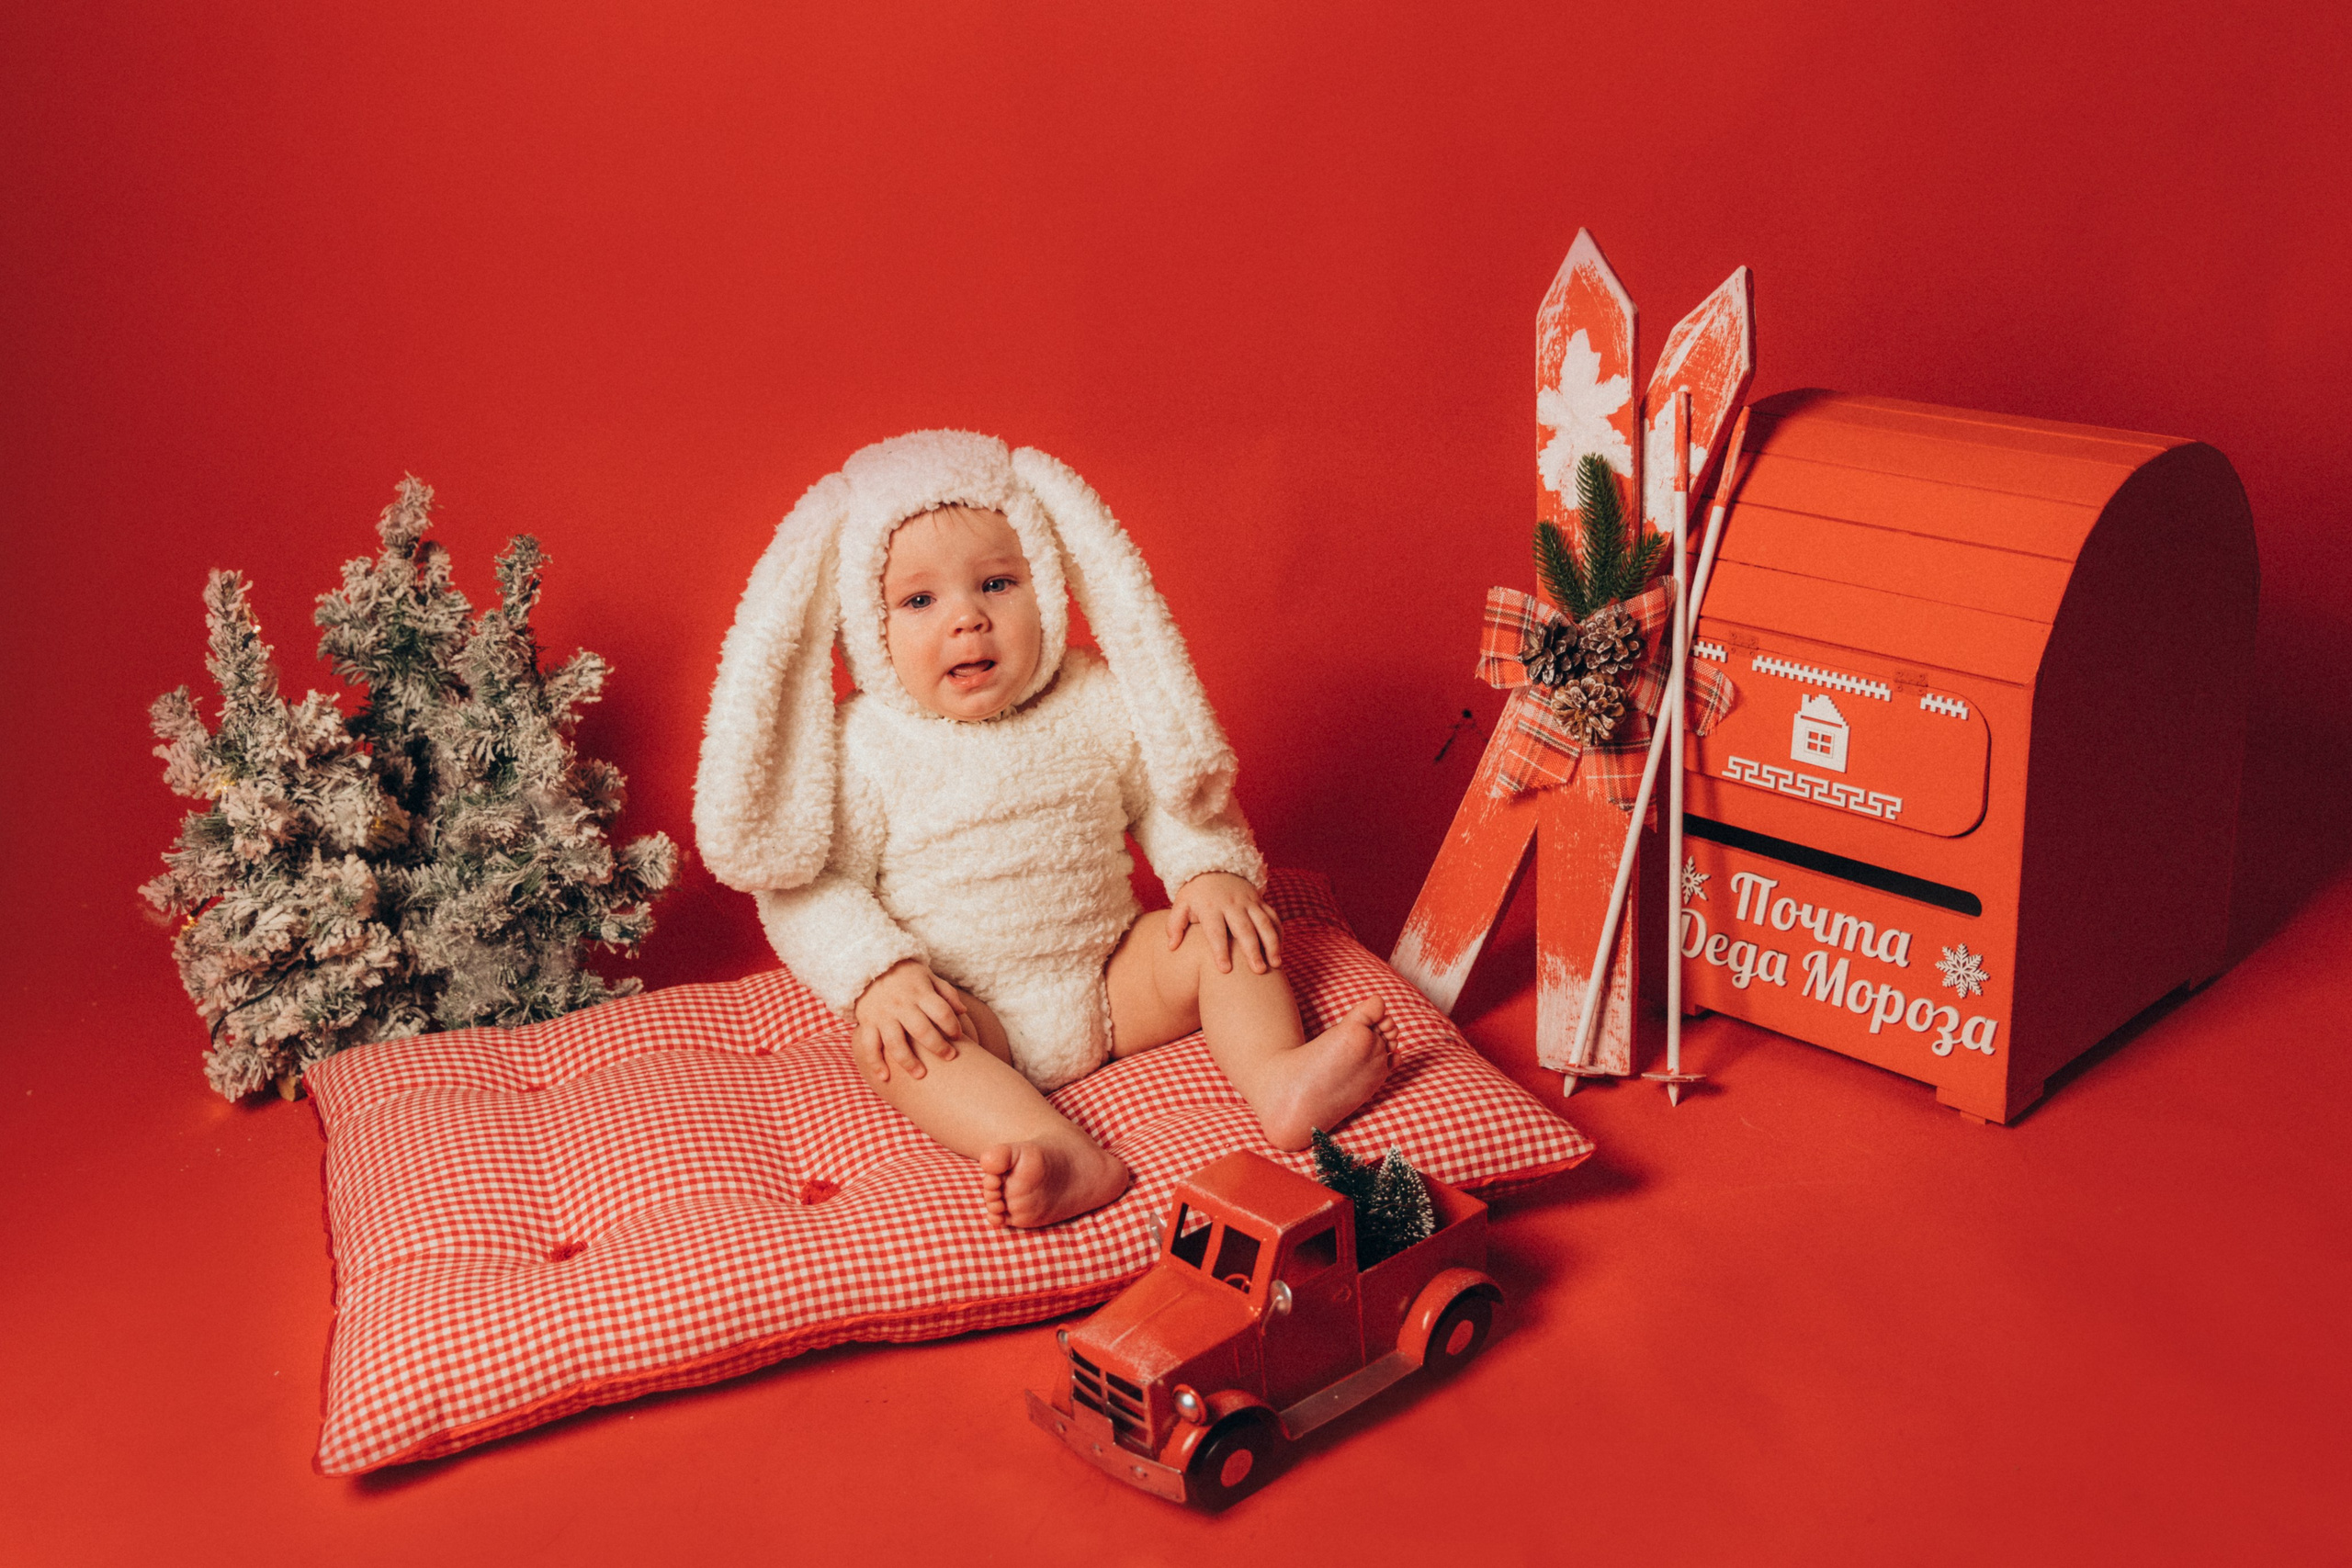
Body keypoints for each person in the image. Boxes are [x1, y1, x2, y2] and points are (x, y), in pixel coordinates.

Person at [695, 431, 1390, 1228]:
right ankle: (1052, 1145)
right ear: (864, 622)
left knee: (1222, 933)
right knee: (892, 1047)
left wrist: (1208, 871)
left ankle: (1278, 1077)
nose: (967, 620)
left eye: (997, 583)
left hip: (1112, 976)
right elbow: (809, 884)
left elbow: (1174, 790)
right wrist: (877, 975)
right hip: (971, 1015)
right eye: (919, 600)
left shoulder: (1092, 695)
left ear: (1050, 585)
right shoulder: (861, 746)